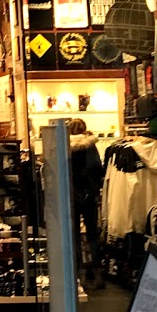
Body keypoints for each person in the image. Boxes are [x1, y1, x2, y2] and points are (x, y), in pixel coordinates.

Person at [68, 117, 105, 286]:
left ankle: (78, 271)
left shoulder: (65, 146)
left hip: (72, 194)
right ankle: (97, 271)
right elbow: (97, 168)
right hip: (89, 194)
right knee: (92, 233)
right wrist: (93, 189)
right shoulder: (90, 145)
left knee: (74, 234)